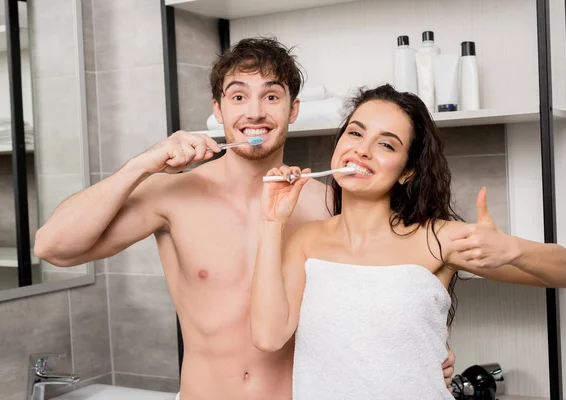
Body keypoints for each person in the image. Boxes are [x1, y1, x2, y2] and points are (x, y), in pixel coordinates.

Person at [33, 39, 456, 400]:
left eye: (271, 96)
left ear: (293, 110)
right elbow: (53, 248)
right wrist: (143, 165)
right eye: (238, 96)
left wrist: (423, 356)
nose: (254, 112)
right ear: (218, 110)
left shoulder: (330, 204)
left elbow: (386, 304)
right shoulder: (172, 195)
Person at [251, 84, 566, 400]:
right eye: (355, 133)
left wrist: (513, 249)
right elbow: (269, 336)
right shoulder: (305, 239)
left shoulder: (436, 239)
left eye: (386, 144)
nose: (363, 150)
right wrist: (271, 221)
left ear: (407, 171)